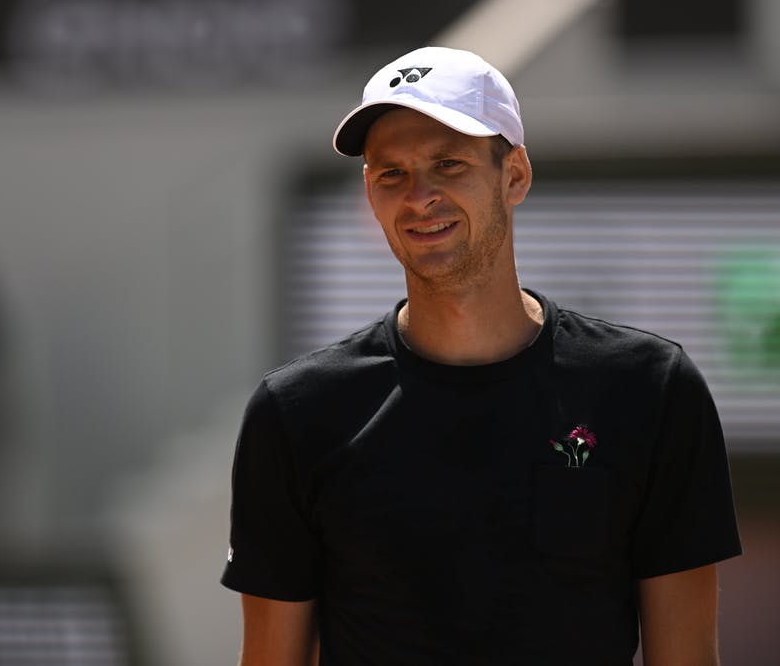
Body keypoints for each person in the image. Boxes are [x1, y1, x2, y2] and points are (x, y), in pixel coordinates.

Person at [220, 46, 742, 665]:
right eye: (391, 174)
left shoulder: (649, 388)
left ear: (514, 175)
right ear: (370, 193)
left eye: (448, 164)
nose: (419, 197)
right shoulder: (296, 411)